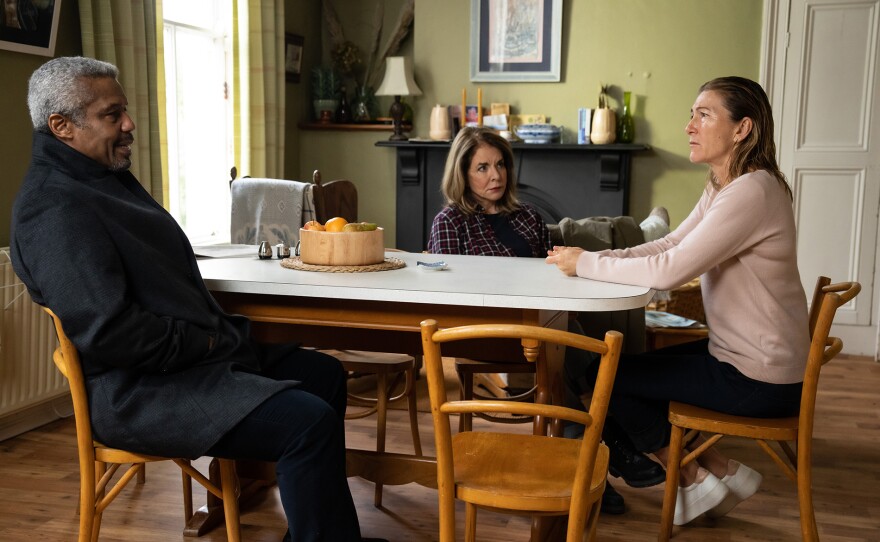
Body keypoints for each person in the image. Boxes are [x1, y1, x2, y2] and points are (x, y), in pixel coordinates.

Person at [11, 56, 383, 542]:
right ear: (62, 126)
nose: (129, 124)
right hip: (138, 391)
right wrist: (207, 344)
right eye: (112, 114)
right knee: (306, 424)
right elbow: (110, 334)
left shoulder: (93, 176)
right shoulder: (54, 206)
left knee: (324, 375)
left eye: (124, 110)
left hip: (184, 365)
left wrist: (212, 341)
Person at [547, 76, 809, 525]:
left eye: (704, 115)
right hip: (746, 361)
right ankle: (715, 470)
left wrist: (587, 263)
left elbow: (671, 270)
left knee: (603, 375)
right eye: (692, 113)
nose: (689, 125)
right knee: (623, 365)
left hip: (756, 379)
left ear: (742, 129)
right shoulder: (728, 185)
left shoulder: (751, 191)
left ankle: (687, 476)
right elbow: (667, 246)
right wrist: (593, 257)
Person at [427, 126, 667, 515]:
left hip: (538, 327)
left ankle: (587, 473)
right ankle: (618, 450)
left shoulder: (527, 218)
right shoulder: (450, 223)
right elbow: (454, 296)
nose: (495, 176)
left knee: (562, 347)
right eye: (482, 168)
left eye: (500, 164)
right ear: (462, 174)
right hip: (485, 331)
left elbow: (549, 280)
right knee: (572, 345)